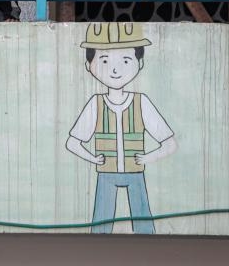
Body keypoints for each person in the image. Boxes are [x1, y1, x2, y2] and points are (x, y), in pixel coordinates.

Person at [65, 22, 176, 234]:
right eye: (104, 60)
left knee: (145, 228)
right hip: (106, 173)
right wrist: (92, 158)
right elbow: (72, 142)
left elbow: (169, 143)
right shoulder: (96, 104)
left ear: (139, 63)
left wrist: (148, 157)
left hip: (135, 173)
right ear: (89, 65)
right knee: (100, 228)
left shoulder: (141, 102)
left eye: (126, 60)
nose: (115, 69)